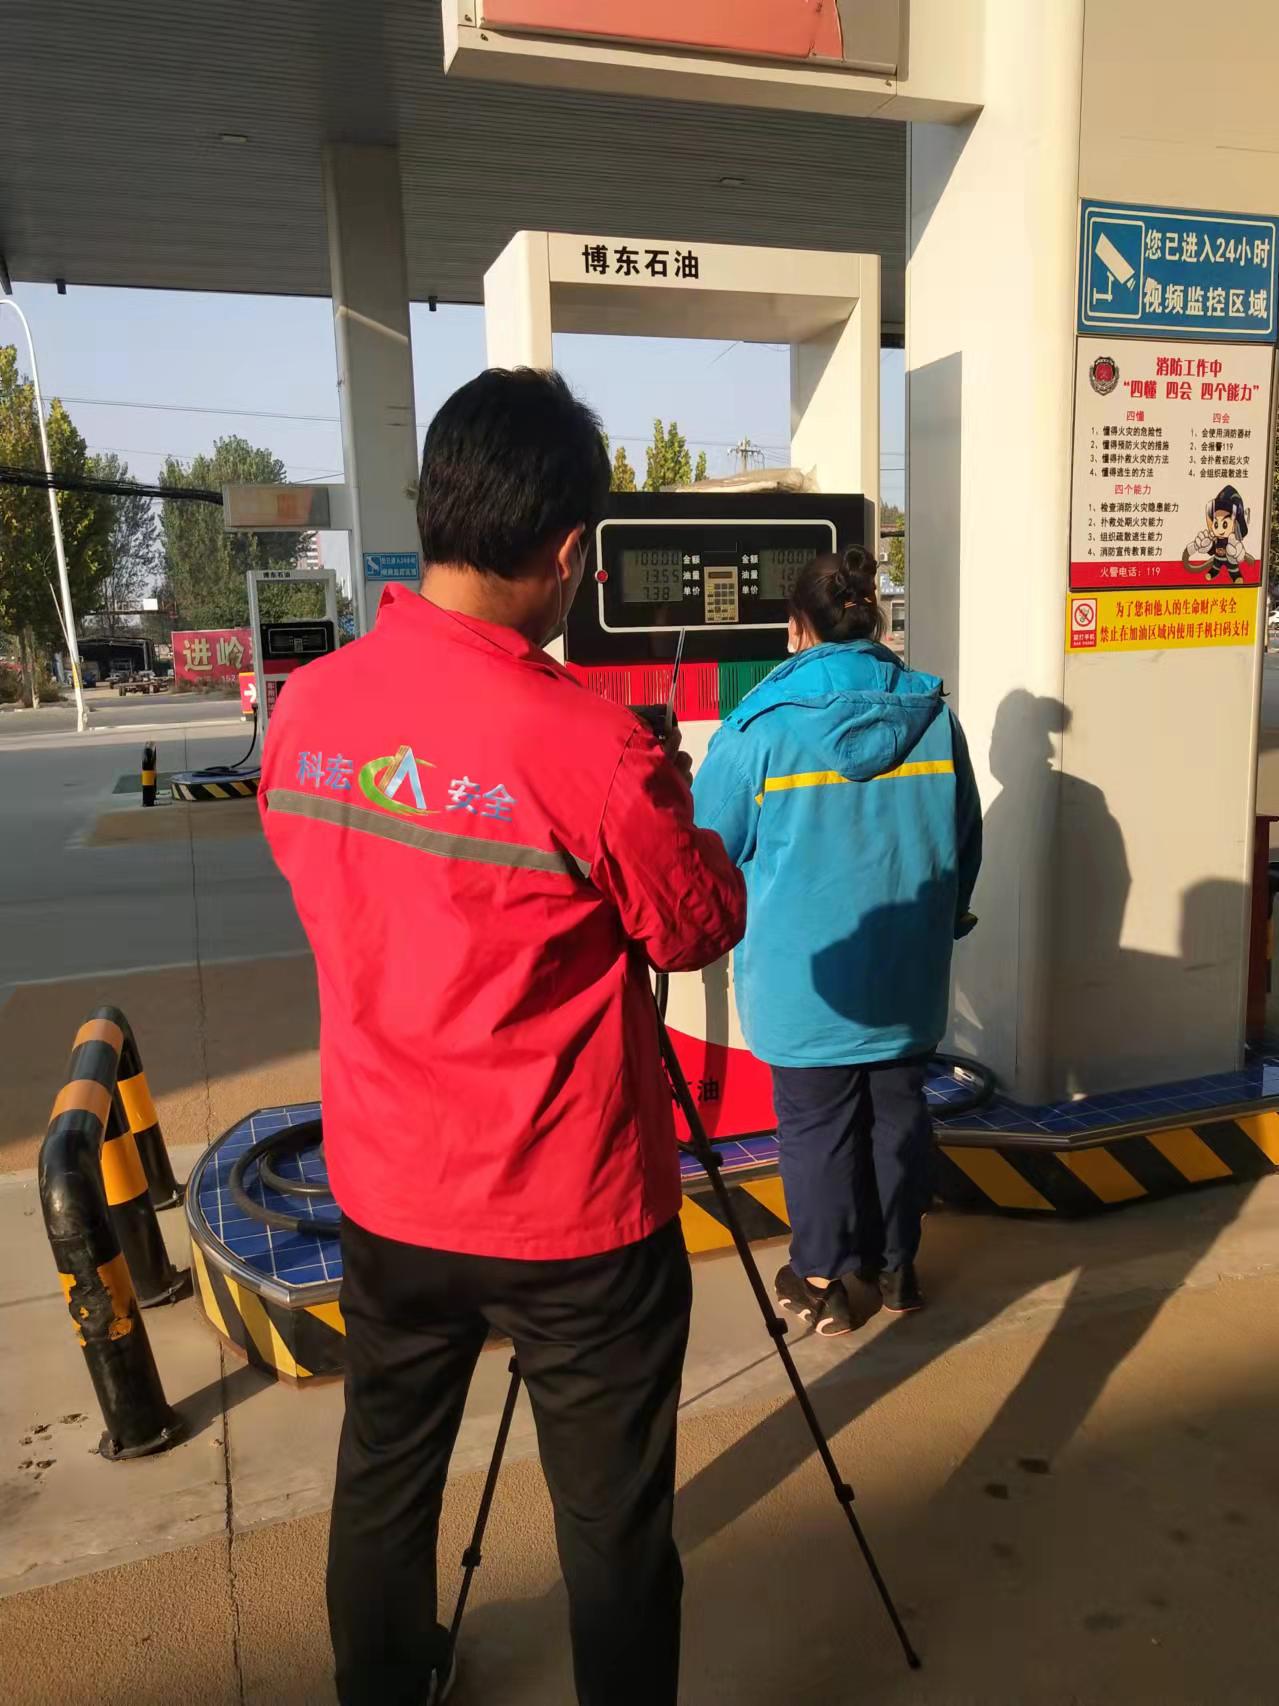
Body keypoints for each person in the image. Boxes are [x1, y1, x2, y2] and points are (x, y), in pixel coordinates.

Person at [258, 368, 746, 1706]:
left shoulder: (307, 711)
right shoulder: (591, 745)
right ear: (569, 550)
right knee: (611, 1522)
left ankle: (383, 1682)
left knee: (384, 1471)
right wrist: (682, 820)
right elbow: (692, 926)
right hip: (572, 1214)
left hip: (386, 1188)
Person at [692, 544, 981, 1337]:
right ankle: (895, 1268)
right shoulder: (934, 719)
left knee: (816, 1126)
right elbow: (963, 841)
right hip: (906, 968)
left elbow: (704, 849)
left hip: (804, 979)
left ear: (797, 627)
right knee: (897, 1117)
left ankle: (821, 1281)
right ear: (870, 619)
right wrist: (947, 921)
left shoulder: (754, 732)